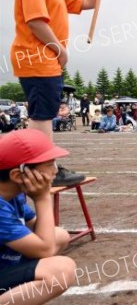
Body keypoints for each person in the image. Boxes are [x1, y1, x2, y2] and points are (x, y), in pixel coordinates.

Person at [10, 0, 113, 186]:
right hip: (37, 58)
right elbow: (35, 21)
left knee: (44, 113)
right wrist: (60, 50)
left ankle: (45, 166)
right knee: (42, 115)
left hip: (47, 61)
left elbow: (88, 2)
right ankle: (46, 169)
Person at [0, 129, 77, 304]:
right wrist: (43, 198)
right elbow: (45, 248)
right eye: (49, 164)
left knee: (60, 235)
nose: (55, 171)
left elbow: (39, 228)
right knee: (61, 271)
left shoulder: (13, 193)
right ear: (18, 175)